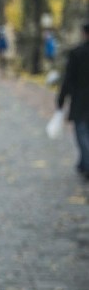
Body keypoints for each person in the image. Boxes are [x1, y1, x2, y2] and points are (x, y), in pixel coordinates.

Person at [56, 21, 89, 180]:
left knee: (81, 133)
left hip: (81, 100)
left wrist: (61, 99)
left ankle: (86, 164)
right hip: (81, 100)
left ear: (84, 33)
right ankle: (83, 163)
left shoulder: (77, 53)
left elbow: (68, 79)